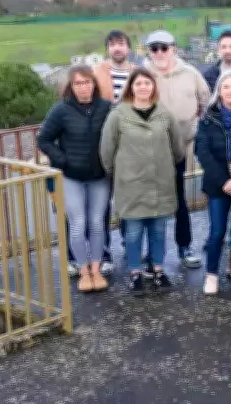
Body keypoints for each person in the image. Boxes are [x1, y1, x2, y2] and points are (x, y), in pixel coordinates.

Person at [100, 68, 185, 296]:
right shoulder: (118, 115)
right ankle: (135, 272)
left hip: (160, 183)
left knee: (158, 230)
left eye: (147, 83)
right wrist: (118, 173)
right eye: (138, 84)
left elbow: (178, 149)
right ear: (131, 87)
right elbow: (107, 150)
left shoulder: (164, 114)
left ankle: (158, 270)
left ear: (153, 87)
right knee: (133, 233)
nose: (143, 87)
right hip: (131, 185)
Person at [37, 66, 112, 293]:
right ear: (71, 86)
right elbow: (44, 139)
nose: (83, 87)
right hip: (71, 177)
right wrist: (63, 159)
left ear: (94, 84)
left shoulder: (106, 107)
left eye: (87, 82)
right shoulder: (61, 110)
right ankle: (83, 271)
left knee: (97, 223)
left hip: (99, 176)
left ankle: (96, 269)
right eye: (78, 83)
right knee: (78, 223)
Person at [144, 30, 210, 270]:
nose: (160, 52)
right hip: (150, 149)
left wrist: (194, 124)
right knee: (152, 201)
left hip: (181, 147)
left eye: (164, 47)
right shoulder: (142, 75)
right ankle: (153, 252)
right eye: (154, 48)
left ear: (173, 49)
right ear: (149, 51)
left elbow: (205, 100)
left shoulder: (191, 73)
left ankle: (184, 247)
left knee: (179, 199)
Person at [194, 71, 231, 295]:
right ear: (219, 91)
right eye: (226, 87)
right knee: (217, 231)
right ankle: (211, 274)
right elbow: (202, 151)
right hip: (217, 183)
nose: (230, 91)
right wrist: (225, 181)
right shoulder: (208, 118)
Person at [88, 29, 137, 277]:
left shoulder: (137, 72)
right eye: (113, 44)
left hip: (130, 147)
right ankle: (104, 252)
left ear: (129, 48)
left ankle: (130, 244)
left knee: (128, 200)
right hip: (103, 145)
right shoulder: (96, 73)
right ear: (107, 49)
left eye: (121, 43)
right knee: (102, 204)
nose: (117, 48)